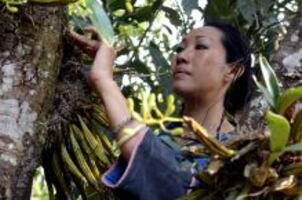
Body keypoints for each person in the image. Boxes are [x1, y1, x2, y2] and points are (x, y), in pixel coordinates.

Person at [69, 20, 252, 200]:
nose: (181, 56)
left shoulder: (242, 153)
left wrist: (104, 80)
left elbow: (177, 187)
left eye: (201, 47)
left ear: (233, 70)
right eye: (179, 49)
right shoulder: (163, 137)